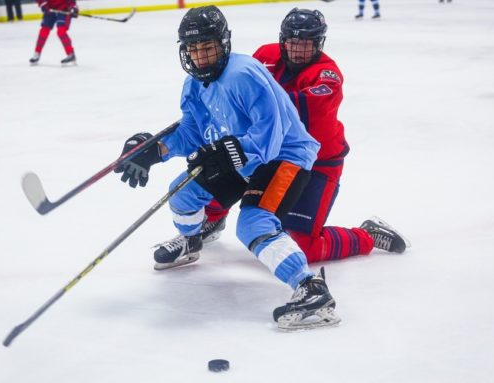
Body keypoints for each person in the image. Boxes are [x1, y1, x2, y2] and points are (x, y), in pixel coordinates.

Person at [115, 6, 340, 331]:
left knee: (252, 223)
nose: (201, 57)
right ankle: (191, 242)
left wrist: (230, 151)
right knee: (181, 194)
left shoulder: (244, 74)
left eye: (208, 48)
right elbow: (192, 132)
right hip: (240, 158)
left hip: (285, 157)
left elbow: (271, 136)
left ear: (224, 44)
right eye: (194, 49)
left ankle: (311, 289)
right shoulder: (193, 84)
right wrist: (155, 150)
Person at [159, 8, 408, 265]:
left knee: (303, 246)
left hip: (313, 162)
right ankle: (213, 216)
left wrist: (248, 99)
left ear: (319, 43)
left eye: (307, 43)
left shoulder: (327, 75)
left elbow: (289, 107)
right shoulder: (265, 55)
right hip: (263, 150)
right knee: (218, 165)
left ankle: (366, 235)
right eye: (292, 42)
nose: (298, 50)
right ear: (282, 39)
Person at [29, 0, 79, 65]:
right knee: (44, 30)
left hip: (63, 8)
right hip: (49, 8)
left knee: (61, 31)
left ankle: (71, 54)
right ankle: (37, 53)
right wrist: (42, 3)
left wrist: (73, 7)